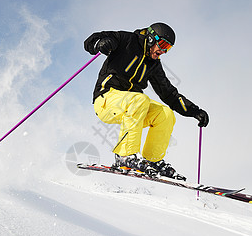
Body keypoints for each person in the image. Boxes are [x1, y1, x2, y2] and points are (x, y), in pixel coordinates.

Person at [84, 22, 209, 179]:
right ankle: (125, 155)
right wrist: (101, 43)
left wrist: (194, 111)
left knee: (165, 114)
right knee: (140, 100)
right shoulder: (127, 40)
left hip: (133, 106)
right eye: (162, 45)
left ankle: (153, 160)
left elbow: (169, 93)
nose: (163, 51)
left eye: (168, 48)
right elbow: (92, 40)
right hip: (106, 99)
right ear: (151, 38)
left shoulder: (153, 64)